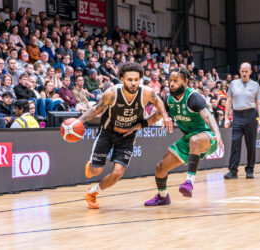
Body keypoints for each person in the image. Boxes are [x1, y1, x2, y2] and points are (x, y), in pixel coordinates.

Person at [78, 62, 172, 209]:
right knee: (95, 171)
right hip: (107, 132)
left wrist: (164, 117)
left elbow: (159, 103)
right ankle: (91, 166)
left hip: (128, 135)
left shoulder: (146, 92)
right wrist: (78, 122)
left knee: (118, 173)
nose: (133, 82)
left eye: (136, 79)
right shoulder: (111, 93)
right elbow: (96, 110)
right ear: (122, 79)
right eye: (130, 79)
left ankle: (92, 193)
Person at [144, 67, 223, 206]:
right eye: (170, 81)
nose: (172, 84)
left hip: (207, 136)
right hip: (188, 139)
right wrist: (136, 126)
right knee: (160, 168)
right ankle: (163, 197)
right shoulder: (169, 99)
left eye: (176, 81)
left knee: (195, 140)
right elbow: (156, 116)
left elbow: (208, 117)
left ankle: (189, 182)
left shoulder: (193, 97)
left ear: (185, 81)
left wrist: (217, 133)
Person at [224, 62, 260, 179]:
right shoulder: (233, 84)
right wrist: (226, 117)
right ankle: (233, 171)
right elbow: (229, 101)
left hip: (250, 115)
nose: (244, 73)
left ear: (250, 72)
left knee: (251, 144)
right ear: (239, 71)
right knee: (235, 142)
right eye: (242, 71)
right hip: (237, 116)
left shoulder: (256, 85)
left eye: (246, 71)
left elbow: (259, 103)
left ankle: (250, 169)